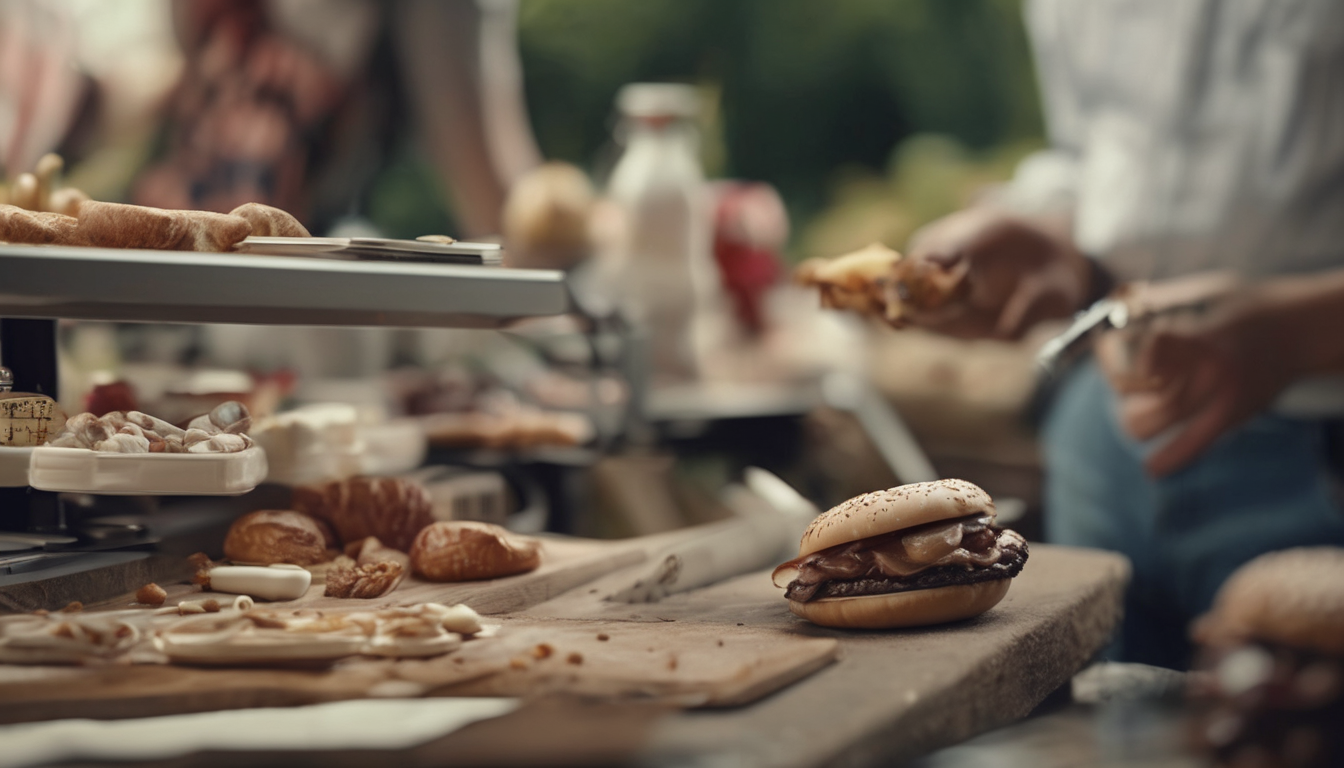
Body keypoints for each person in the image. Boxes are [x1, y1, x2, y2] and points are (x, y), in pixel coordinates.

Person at [901, 0, 1344, 668]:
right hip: (1103, 441)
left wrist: (1303, 330)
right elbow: (1103, 159)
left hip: (1317, 459)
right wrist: (1061, 245)